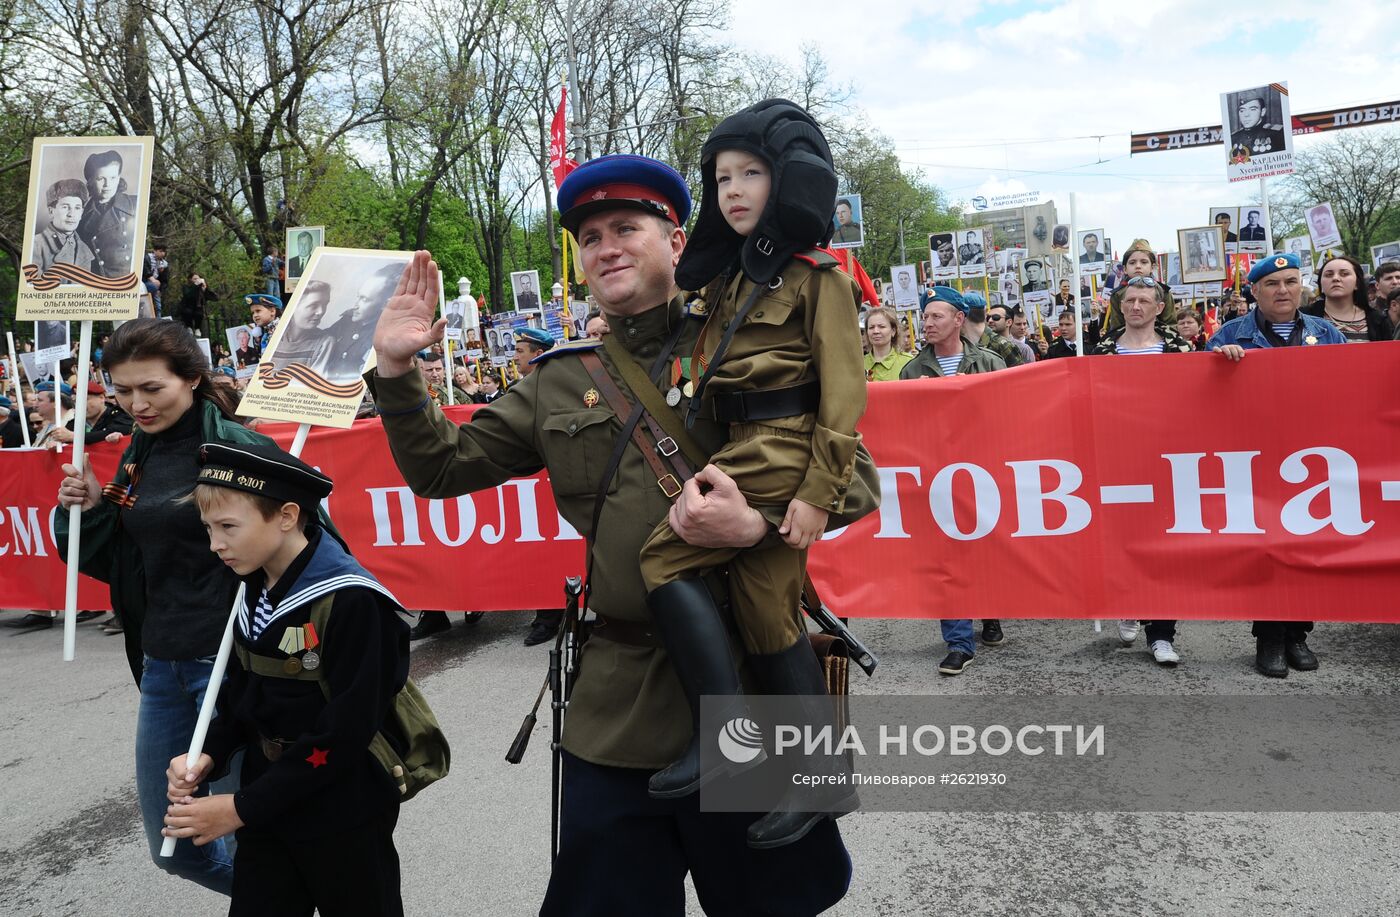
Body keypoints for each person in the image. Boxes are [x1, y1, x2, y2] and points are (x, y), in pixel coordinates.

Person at [367, 151, 877, 914]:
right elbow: (444, 466)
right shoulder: (558, 380)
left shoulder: (743, 341)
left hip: (745, 677)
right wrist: (397, 368)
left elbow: (858, 475)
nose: (606, 244)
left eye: (627, 226)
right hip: (615, 705)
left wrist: (758, 522)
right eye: (590, 234)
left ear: (675, 242)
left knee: (771, 901)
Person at [636, 100, 868, 848]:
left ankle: (725, 736)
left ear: (789, 180)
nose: (732, 189)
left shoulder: (815, 276)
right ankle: (821, 778)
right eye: (721, 176)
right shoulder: (734, 279)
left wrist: (816, 494)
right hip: (739, 445)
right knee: (768, 609)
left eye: (752, 173)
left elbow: (844, 392)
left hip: (782, 448)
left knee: (663, 555)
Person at [54, 319, 281, 894]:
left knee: (257, 833)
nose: (136, 404)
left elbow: (311, 551)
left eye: (151, 389)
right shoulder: (138, 453)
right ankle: (289, 896)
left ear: (192, 378)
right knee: (176, 849)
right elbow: (116, 558)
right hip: (162, 666)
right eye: (123, 391)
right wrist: (82, 509)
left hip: (235, 664)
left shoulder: (242, 447)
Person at [161, 442, 409, 917]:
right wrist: (208, 752)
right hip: (268, 793)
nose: (215, 544)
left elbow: (347, 730)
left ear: (288, 516)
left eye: (228, 527)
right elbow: (241, 694)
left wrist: (242, 808)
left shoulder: (354, 601)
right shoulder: (252, 589)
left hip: (342, 804)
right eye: (208, 529)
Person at [1207, 253, 1345, 678]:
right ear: (1255, 291)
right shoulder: (1231, 334)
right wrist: (1217, 363)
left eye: (1290, 281)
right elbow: (1203, 400)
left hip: (1310, 460)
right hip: (1253, 460)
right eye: (1271, 284)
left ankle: (1298, 633)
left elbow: (1345, 391)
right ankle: (1268, 635)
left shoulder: (1326, 333)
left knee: (1307, 545)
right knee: (1264, 547)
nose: (1282, 290)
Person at [899, 286, 1005, 673]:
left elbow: (1011, 415)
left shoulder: (990, 363)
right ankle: (959, 642)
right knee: (947, 556)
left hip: (986, 475)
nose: (927, 323)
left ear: (959, 320)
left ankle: (990, 609)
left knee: (988, 550)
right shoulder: (912, 371)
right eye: (925, 317)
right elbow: (906, 428)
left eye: (935, 317)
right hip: (939, 479)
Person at [1091, 277, 1194, 665]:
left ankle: (1162, 634)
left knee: (1165, 547)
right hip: (1117, 456)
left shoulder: (1178, 347)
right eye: (1129, 300)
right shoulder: (1101, 349)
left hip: (1168, 457)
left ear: (1157, 307)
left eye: (1144, 301)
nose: (1136, 306)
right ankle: (1129, 604)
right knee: (1123, 539)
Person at [322, 266, 401, 383]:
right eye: (358, 296)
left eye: (364, 299)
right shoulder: (348, 320)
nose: (356, 305)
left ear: (385, 304)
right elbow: (322, 339)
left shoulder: (388, 332)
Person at [76, 150, 139, 279]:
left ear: (119, 177)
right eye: (100, 179)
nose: (107, 185)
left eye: (113, 177)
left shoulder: (135, 204)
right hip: (98, 286)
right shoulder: (80, 216)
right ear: (90, 181)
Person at [1302, 255, 1393, 342]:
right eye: (1329, 275)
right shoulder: (1302, 317)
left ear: (1357, 283)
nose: (1336, 278)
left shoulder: (1378, 320)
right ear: (1320, 284)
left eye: (1344, 274)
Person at [1105, 239, 1178, 335]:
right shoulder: (1117, 294)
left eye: (1144, 262)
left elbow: (1171, 325)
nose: (1138, 266)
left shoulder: (1163, 292)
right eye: (1132, 263)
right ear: (1125, 269)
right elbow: (1116, 327)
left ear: (1152, 267)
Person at [32, 178, 95, 276]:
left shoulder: (84, 249)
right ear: (51, 211)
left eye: (77, 208)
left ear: (81, 213)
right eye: (65, 207)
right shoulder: (36, 245)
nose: (71, 214)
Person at [269, 280, 334, 374]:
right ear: (294, 307)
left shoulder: (324, 343)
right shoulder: (273, 336)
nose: (321, 311)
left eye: (325, 305)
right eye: (314, 305)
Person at [48, 379, 133, 445]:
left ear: (101, 398)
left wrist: (75, 437)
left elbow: (114, 432)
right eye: (75, 401)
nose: (79, 405)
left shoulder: (119, 415)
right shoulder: (74, 423)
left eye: (84, 400)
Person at [962, 292, 1026, 367]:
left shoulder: (1002, 345)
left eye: (996, 317)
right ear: (985, 313)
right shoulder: (962, 344)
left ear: (962, 316)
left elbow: (1019, 376)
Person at [1229, 91, 1287, 158]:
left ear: (1262, 112)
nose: (1246, 115)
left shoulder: (1278, 134)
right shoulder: (1233, 138)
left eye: (1252, 109)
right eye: (1242, 110)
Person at [862, 306, 912, 380]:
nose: (876, 331)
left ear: (893, 331)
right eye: (871, 327)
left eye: (881, 327)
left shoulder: (909, 363)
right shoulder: (859, 364)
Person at [247, 292, 282, 359]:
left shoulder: (281, 329)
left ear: (272, 311)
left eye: (258, 311)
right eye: (253, 313)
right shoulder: (261, 332)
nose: (255, 315)